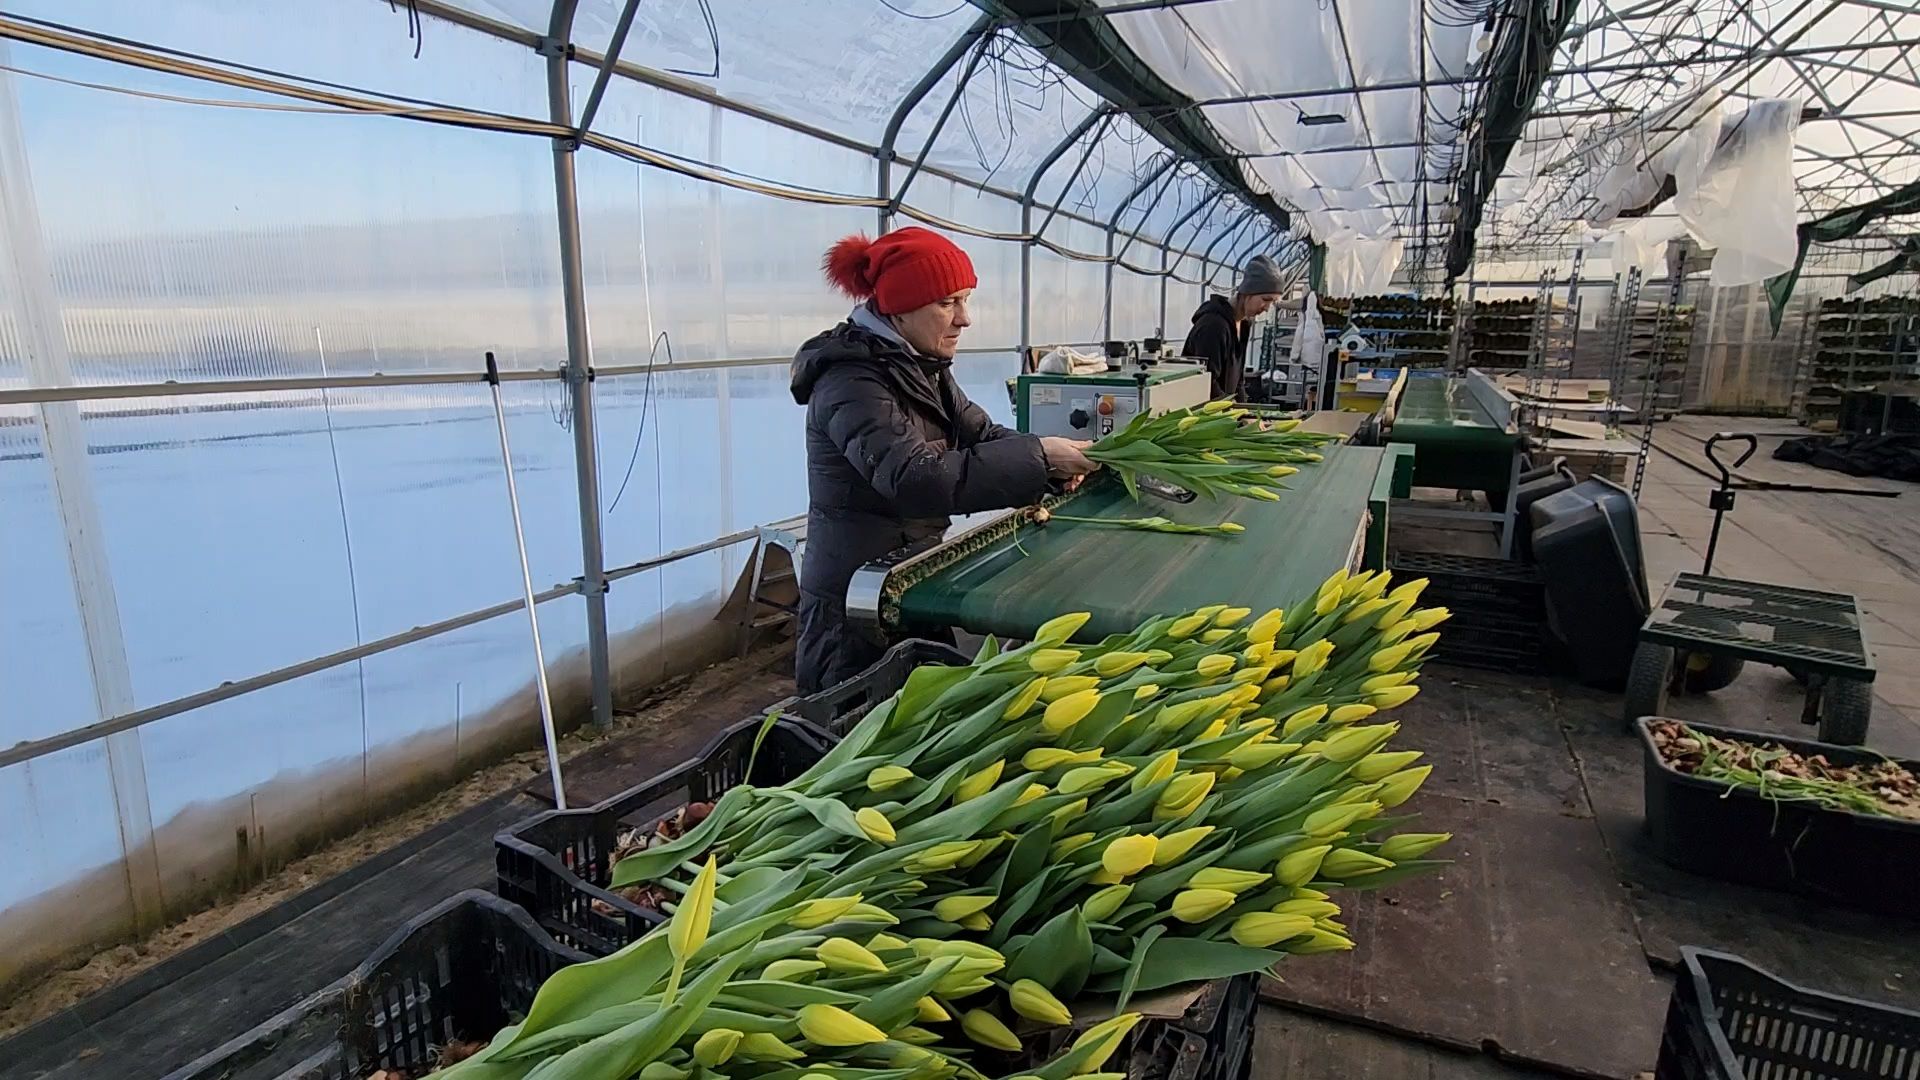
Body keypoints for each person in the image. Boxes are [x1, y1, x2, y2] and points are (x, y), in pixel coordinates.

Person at [790, 226, 1099, 694]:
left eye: (965, 301)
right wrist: (1037, 456)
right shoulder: (850, 381)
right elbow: (916, 479)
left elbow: (983, 434)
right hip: (853, 607)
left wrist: (1053, 462)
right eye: (948, 303)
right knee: (857, 739)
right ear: (900, 306)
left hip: (909, 580)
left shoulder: (920, 366)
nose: (965, 319)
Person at [1182, 254, 1288, 400]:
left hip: (1224, 412)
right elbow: (1207, 383)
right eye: (1265, 300)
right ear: (1247, 293)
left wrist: (1245, 410)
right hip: (1204, 415)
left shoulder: (1243, 325)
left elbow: (1238, 381)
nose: (1267, 308)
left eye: (1272, 302)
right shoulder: (1214, 326)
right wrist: (1233, 414)